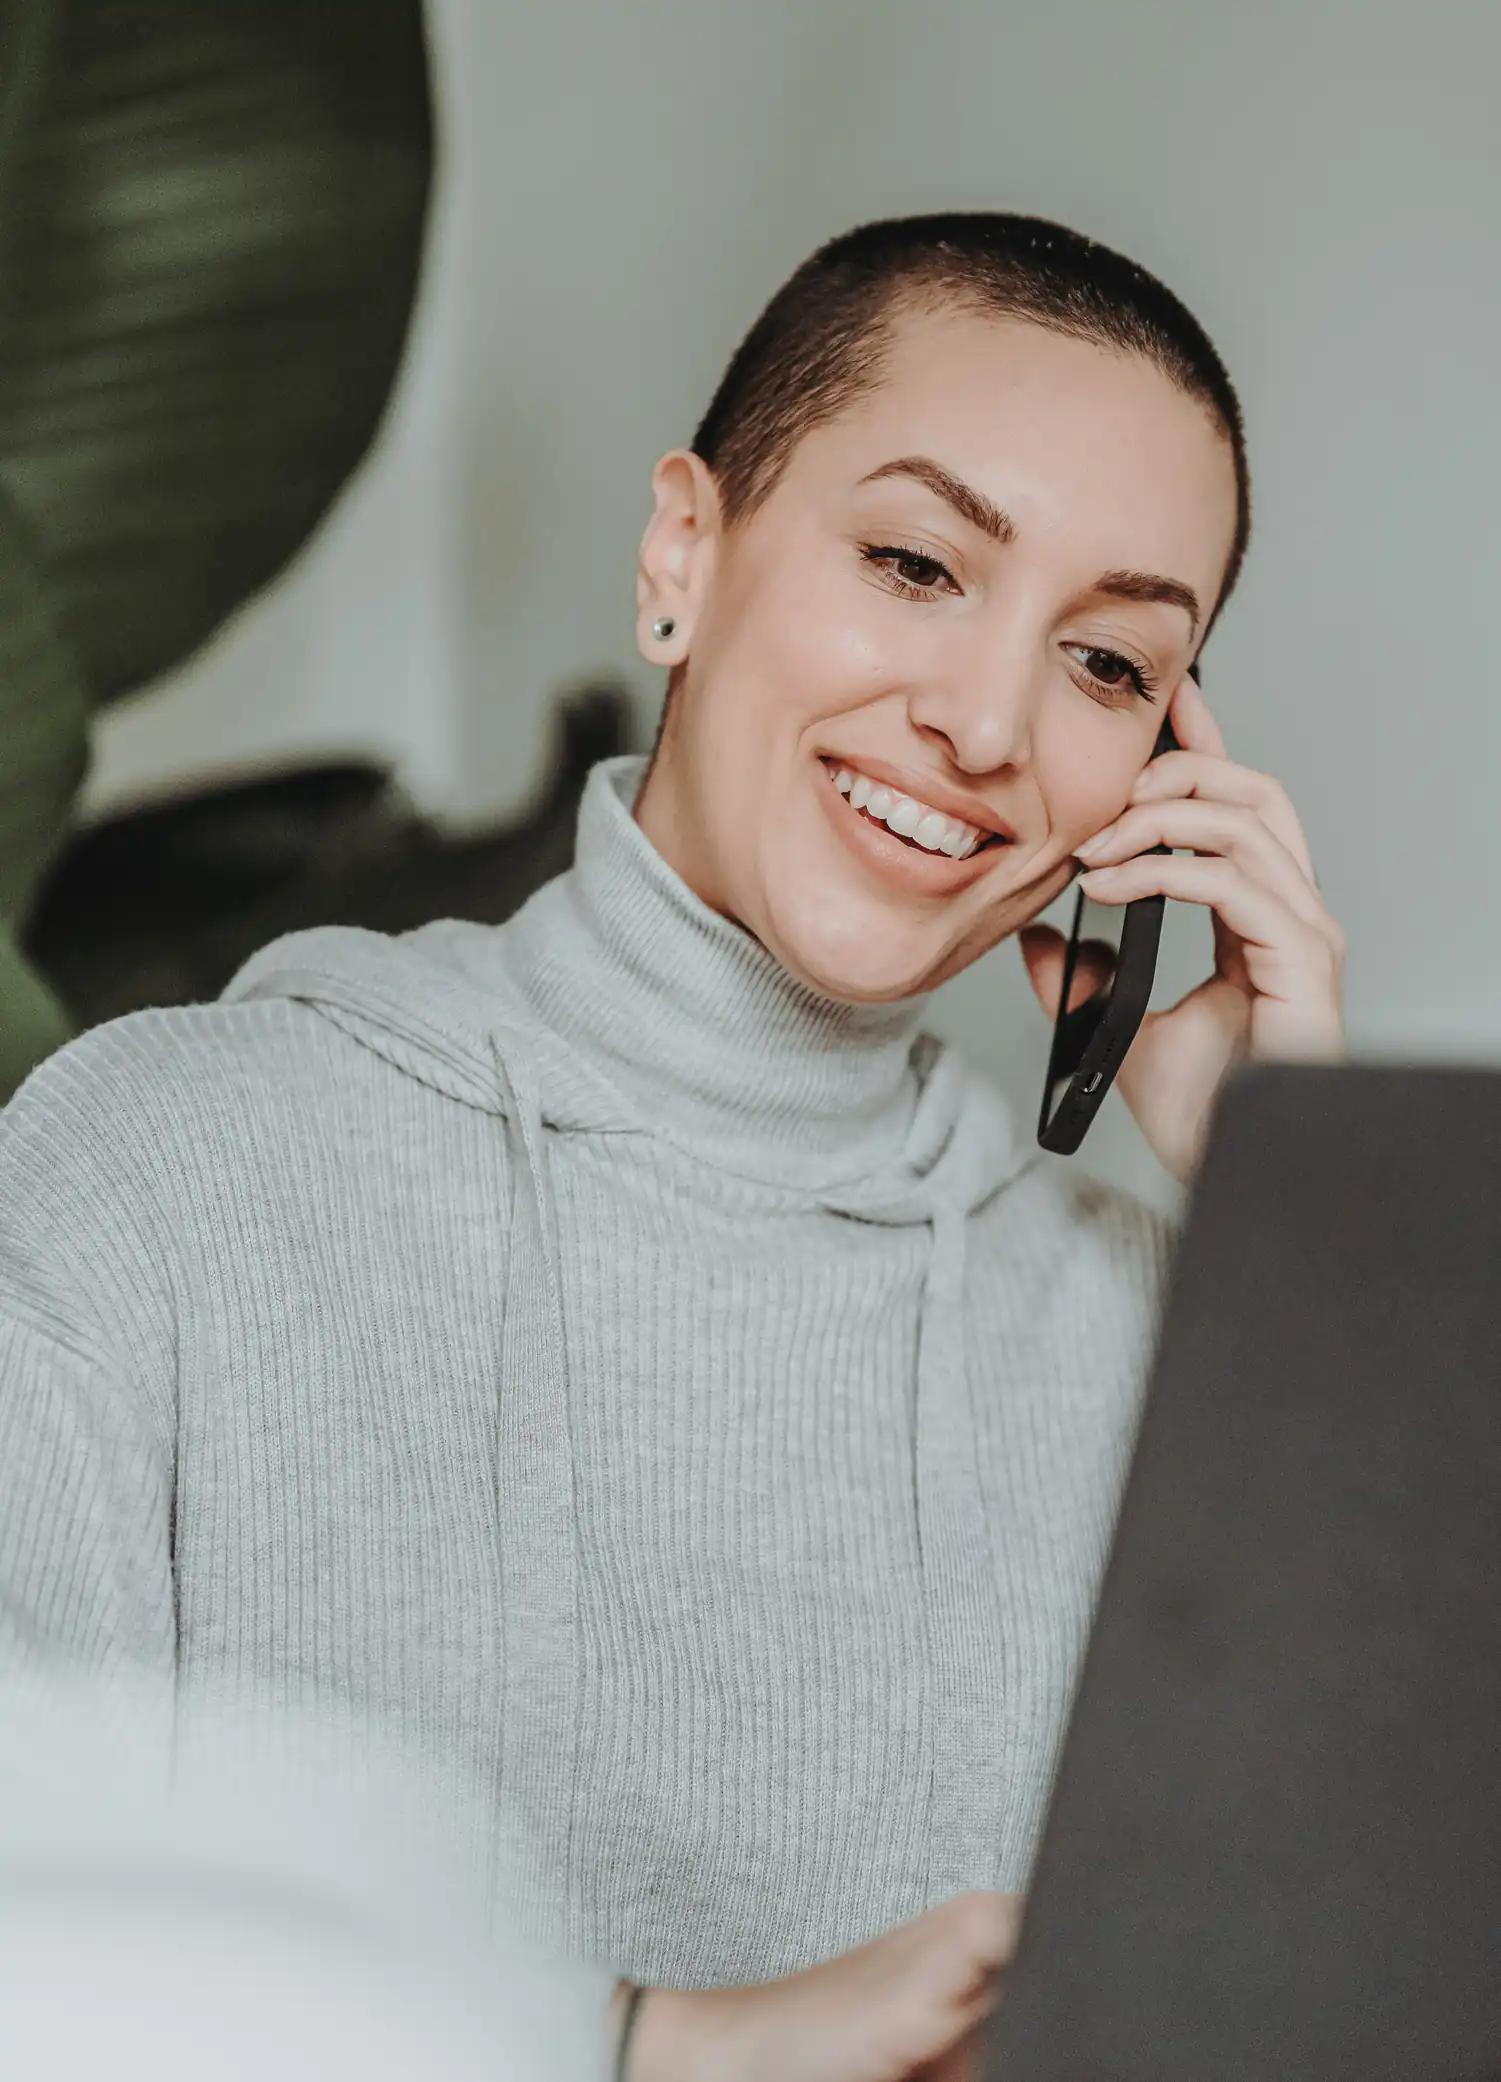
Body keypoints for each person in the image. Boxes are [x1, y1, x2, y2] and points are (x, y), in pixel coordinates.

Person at [0, 211, 1346, 2081]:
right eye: (911, 560)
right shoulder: (158, 1174)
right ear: (682, 555)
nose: (981, 721)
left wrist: (1309, 1207)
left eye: (1109, 667)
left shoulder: (1181, 1339)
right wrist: (647, 2048)